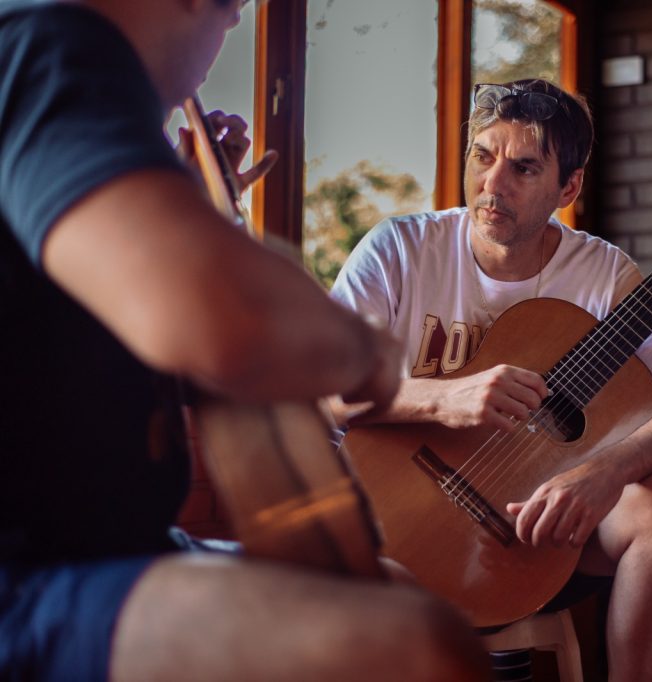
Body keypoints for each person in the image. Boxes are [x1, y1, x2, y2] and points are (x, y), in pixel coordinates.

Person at [0, 0, 490, 680]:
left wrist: (192, 213)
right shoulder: (53, 45)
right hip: (29, 579)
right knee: (413, 647)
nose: (233, 28)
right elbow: (223, 318)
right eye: (236, 10)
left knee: (396, 587)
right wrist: (366, 351)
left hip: (102, 549)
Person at [331, 78, 652, 681]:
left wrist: (605, 471)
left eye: (524, 167)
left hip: (532, 525)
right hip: (388, 513)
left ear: (569, 187)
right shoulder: (398, 249)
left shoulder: (604, 275)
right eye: (483, 156)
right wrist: (442, 399)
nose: (493, 183)